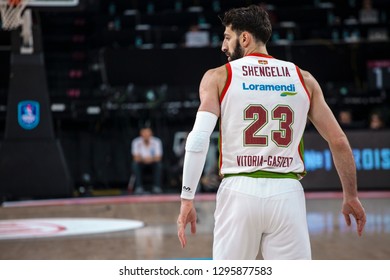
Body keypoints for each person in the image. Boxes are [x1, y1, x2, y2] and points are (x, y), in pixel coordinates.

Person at [177, 5, 366, 260]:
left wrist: (187, 198)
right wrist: (351, 195)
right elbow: (339, 141)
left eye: (227, 37)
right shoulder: (304, 78)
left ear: (245, 38)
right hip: (287, 193)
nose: (223, 46)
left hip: (238, 190)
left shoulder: (218, 77)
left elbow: (198, 139)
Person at [131, 126, 163, 194]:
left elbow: (158, 158)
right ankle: (138, 187)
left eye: (147, 133)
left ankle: (157, 187)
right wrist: (144, 159)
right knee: (135, 164)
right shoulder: (136, 142)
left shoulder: (156, 141)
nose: (146, 135)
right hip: (141, 163)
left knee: (158, 165)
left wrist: (150, 159)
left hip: (153, 163)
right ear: (141, 134)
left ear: (151, 133)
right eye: (144, 133)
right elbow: (135, 158)